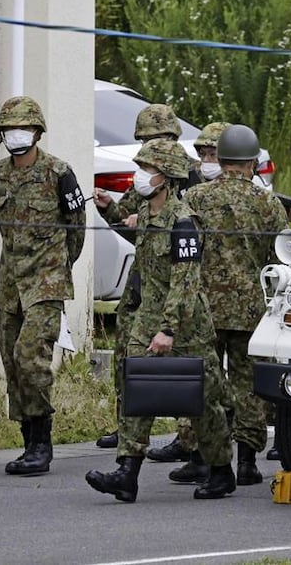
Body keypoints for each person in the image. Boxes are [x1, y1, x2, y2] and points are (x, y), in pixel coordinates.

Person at [86, 139, 236, 502]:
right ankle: (126, 472)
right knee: (136, 389)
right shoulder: (147, 212)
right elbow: (133, 234)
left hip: (186, 323)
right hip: (147, 315)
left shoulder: (183, 222)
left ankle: (220, 471)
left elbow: (186, 283)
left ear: (166, 178)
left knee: (203, 401)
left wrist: (168, 329)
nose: (141, 175)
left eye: (149, 170)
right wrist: (109, 211)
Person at [180, 124, 287, 486]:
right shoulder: (268, 203)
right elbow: (278, 257)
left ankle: (206, 456)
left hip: (205, 305)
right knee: (247, 383)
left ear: (220, 158)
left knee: (206, 382)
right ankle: (247, 461)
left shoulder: (196, 197)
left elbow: (186, 251)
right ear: (253, 162)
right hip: (249, 306)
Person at [92, 103, 196, 459]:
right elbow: (129, 219)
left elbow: (191, 234)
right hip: (145, 279)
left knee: (186, 365)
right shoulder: (146, 176)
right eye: (145, 140)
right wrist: (110, 208)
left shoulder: (186, 176)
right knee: (130, 355)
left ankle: (192, 440)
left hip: (177, 282)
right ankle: (129, 433)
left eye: (157, 139)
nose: (150, 146)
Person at [0, 95, 86, 475]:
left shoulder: (59, 172)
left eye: (23, 129)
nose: (16, 136)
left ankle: (42, 442)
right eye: (10, 130)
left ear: (37, 132)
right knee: (10, 354)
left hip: (46, 279)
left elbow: (76, 228)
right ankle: (27, 436)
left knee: (31, 354)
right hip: (12, 278)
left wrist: (59, 267)